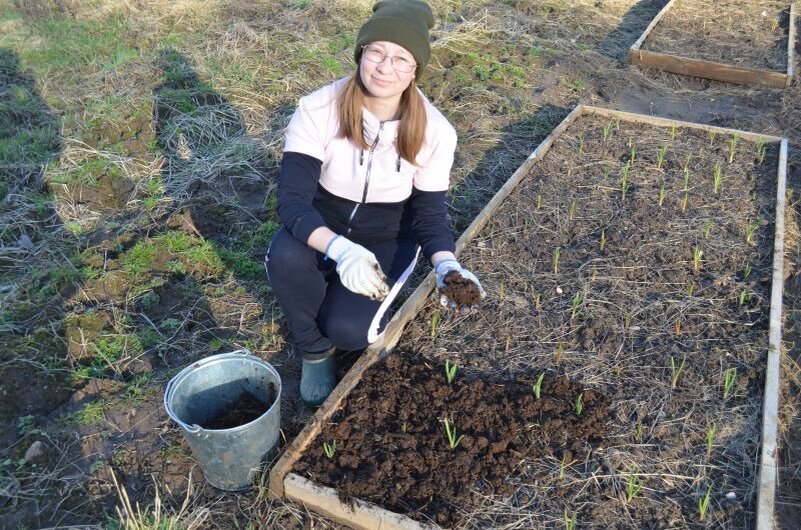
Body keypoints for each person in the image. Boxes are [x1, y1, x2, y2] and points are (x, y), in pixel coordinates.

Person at [266, 0, 485, 407]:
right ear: (360, 54)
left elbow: (429, 213)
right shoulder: (318, 109)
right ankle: (315, 351)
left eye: (402, 58)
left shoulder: (436, 132)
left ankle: (336, 320)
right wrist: (339, 248)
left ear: (416, 69)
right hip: (323, 217)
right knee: (285, 259)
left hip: (387, 232)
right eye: (377, 52)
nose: (386, 67)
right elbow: (293, 201)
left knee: (348, 331)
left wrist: (447, 266)